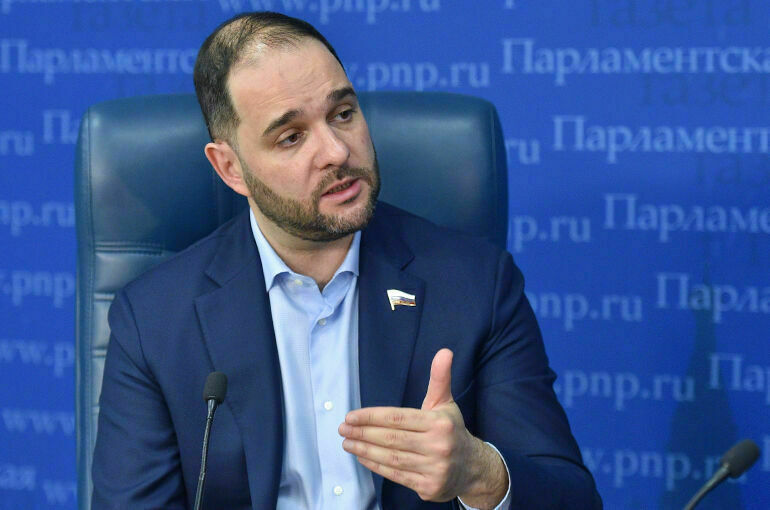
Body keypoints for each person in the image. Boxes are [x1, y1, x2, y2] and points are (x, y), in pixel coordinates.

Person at [91, 11, 602, 510]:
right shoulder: (154, 321)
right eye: (291, 137)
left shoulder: (476, 283)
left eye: (342, 114)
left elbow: (572, 498)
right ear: (230, 168)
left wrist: (480, 473)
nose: (336, 151)